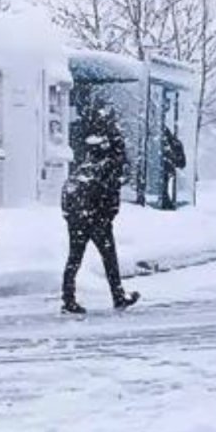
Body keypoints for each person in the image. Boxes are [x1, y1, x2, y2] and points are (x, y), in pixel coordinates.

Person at [60, 106, 140, 314]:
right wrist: (105, 214)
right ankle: (117, 295)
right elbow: (108, 191)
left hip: (79, 216)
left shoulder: (90, 161)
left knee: (75, 257)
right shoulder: (109, 163)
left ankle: (68, 298)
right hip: (96, 218)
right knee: (109, 257)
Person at [160, 126, 187, 209]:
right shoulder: (175, 142)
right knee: (165, 187)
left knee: (164, 187)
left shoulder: (164, 143)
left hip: (165, 169)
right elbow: (182, 163)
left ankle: (166, 203)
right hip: (168, 169)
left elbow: (182, 162)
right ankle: (167, 203)